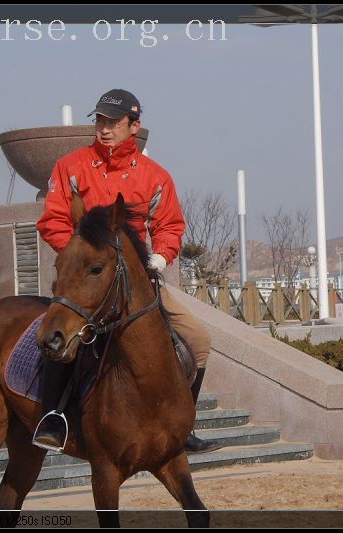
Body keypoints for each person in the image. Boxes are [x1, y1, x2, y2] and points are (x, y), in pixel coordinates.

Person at [33, 89, 222, 454]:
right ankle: (53, 418)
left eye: (113, 122)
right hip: (84, 282)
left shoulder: (156, 176)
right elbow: (53, 218)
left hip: (136, 283)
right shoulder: (71, 166)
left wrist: (161, 257)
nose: (104, 129)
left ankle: (183, 425)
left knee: (198, 341)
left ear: (134, 126)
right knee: (60, 341)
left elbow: (169, 225)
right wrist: (79, 257)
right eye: (100, 121)